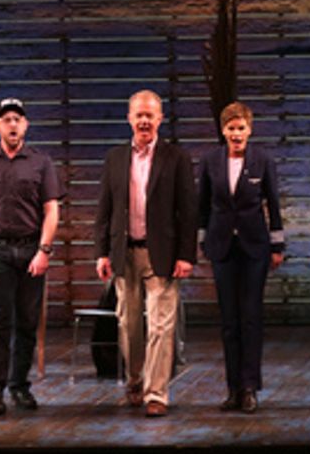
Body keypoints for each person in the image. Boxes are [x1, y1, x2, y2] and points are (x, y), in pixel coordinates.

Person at [93, 90, 196, 417]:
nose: (144, 121)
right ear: (129, 118)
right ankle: (135, 382)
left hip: (161, 255)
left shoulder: (176, 158)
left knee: (161, 327)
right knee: (129, 326)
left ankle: (157, 394)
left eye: (150, 115)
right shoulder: (114, 159)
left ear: (160, 119)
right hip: (124, 254)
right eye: (139, 115)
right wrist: (101, 253)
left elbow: (188, 211)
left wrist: (186, 255)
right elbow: (104, 211)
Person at [0, 98, 63, 416]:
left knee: (27, 323)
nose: (12, 124)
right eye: (6, 119)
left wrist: (44, 250)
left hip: (32, 249)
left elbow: (52, 209)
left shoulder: (40, 161)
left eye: (17, 119)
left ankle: (19, 386)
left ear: (25, 125)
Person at [197, 101, 283, 414]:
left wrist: (277, 246)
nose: (236, 134)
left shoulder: (263, 160)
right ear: (223, 130)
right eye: (231, 128)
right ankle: (232, 389)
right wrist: (203, 241)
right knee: (229, 321)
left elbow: (273, 204)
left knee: (250, 317)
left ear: (250, 129)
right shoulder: (209, 160)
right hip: (222, 247)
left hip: (255, 247)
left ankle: (250, 387)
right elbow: (202, 206)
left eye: (241, 128)